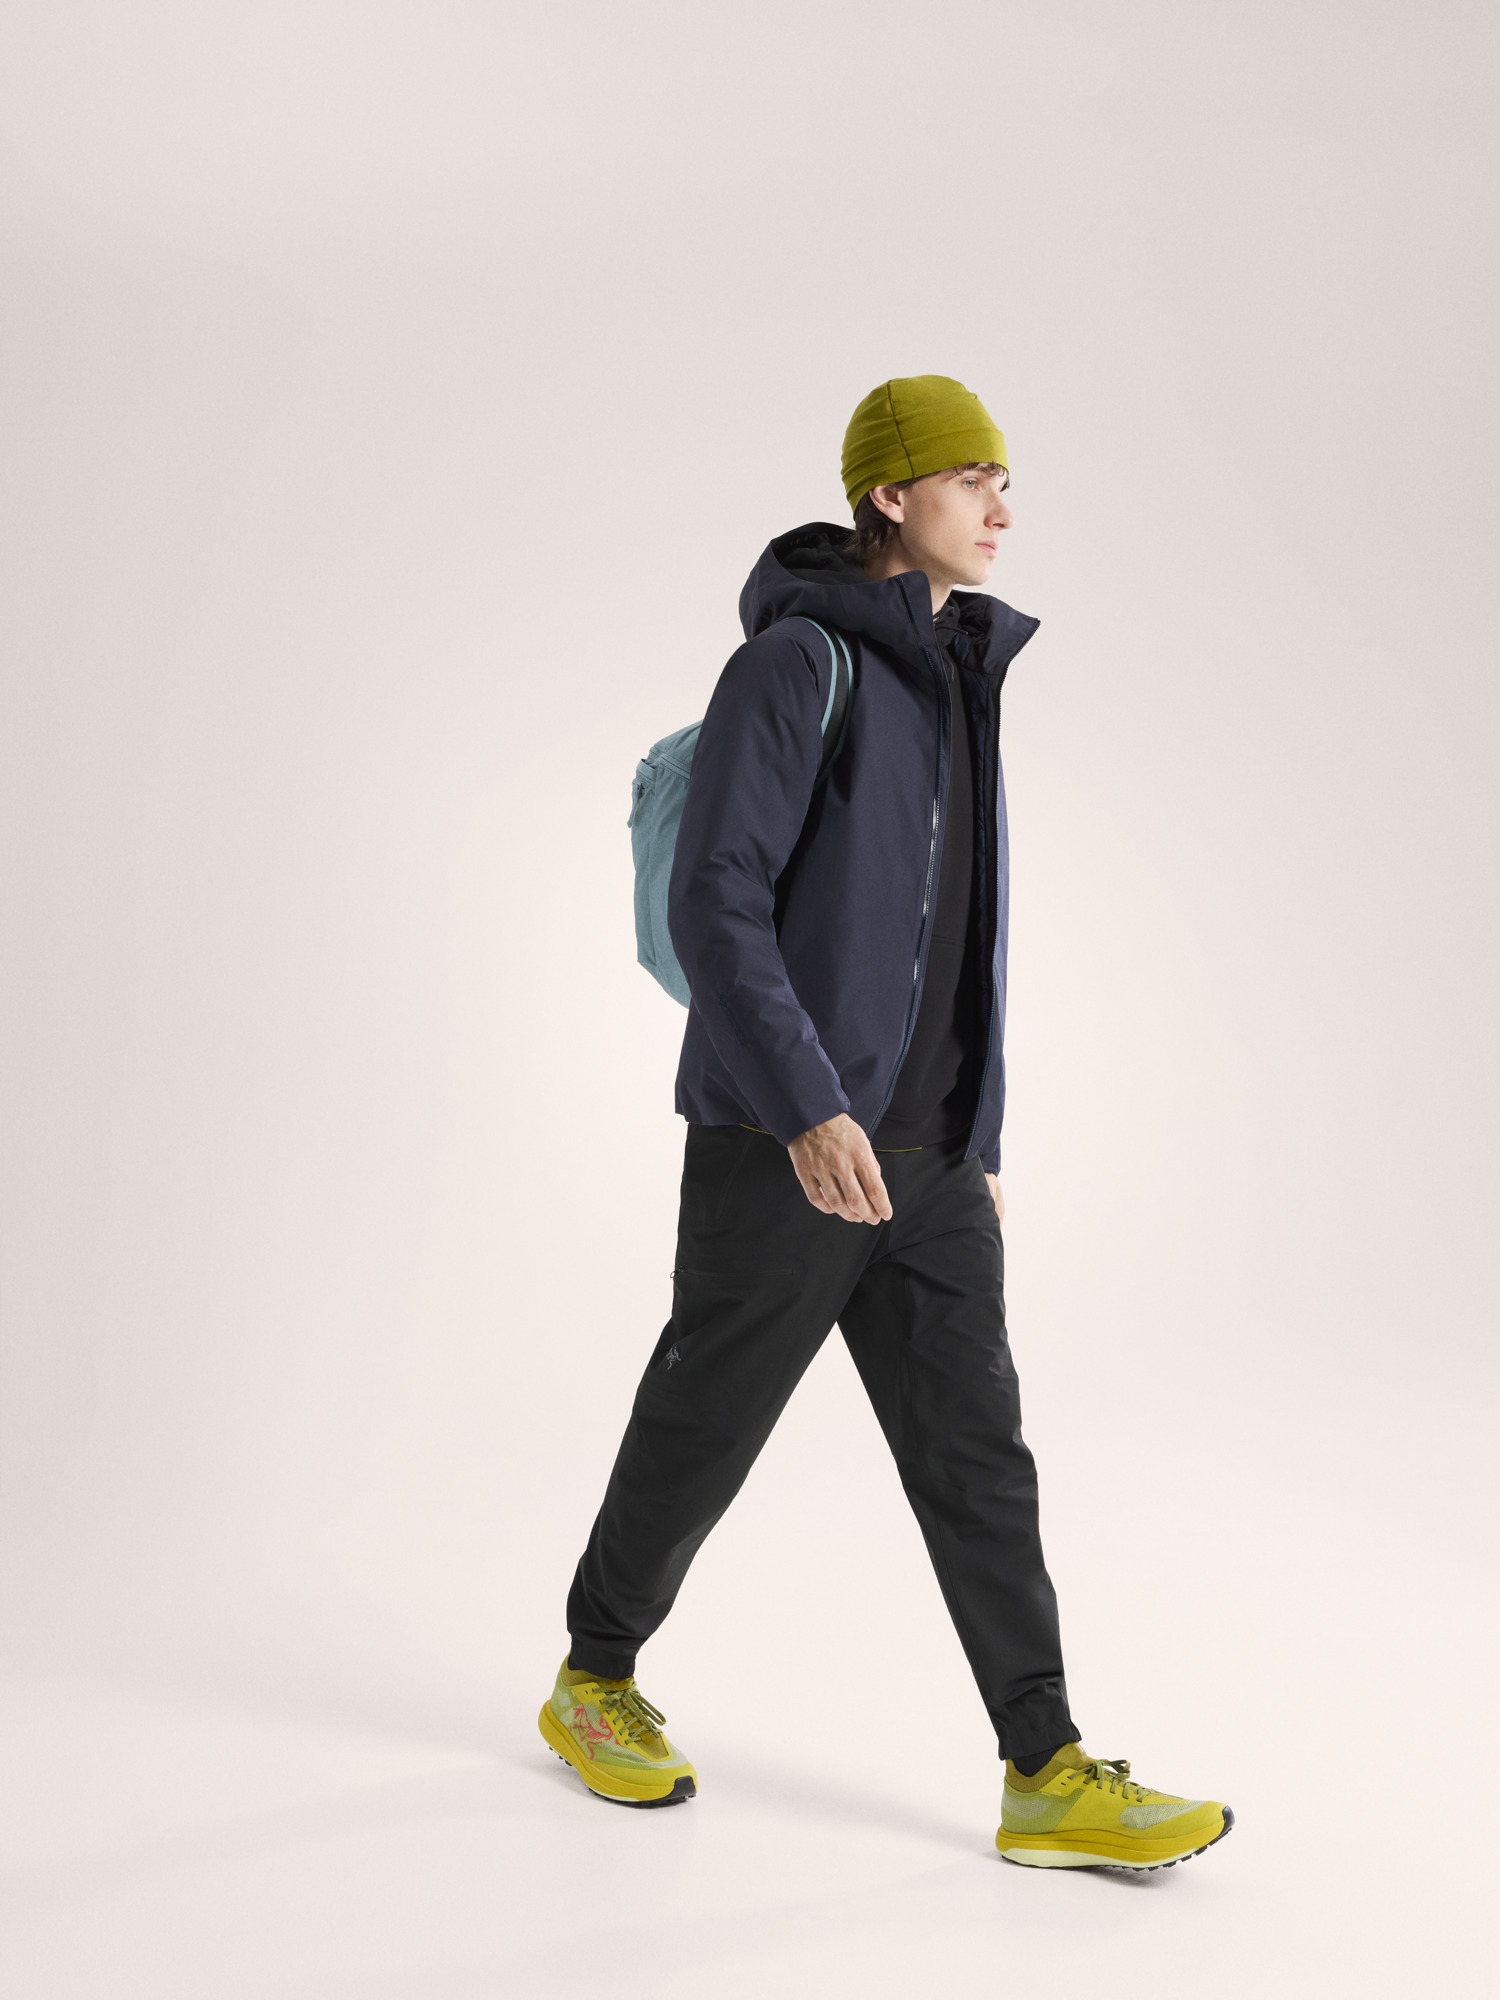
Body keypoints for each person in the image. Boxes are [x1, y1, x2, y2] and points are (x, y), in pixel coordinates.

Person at [537, 375, 1233, 1870]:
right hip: (781, 1145)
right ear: (889, 496)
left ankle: (1045, 1769)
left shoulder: (960, 674)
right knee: (707, 1422)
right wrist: (807, 1109)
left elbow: (965, 933)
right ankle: (595, 1676)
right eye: (974, 479)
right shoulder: (796, 665)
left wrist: (979, 1139)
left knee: (980, 1461)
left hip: (928, 1160)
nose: (1002, 509)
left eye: (1005, 480)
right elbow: (714, 903)